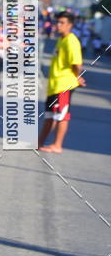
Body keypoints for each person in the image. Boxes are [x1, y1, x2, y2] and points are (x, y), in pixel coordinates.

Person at [38, 11, 85, 153]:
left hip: (64, 85)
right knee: (49, 115)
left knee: (61, 116)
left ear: (70, 25)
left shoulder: (71, 41)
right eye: (57, 22)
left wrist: (77, 77)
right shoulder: (61, 39)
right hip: (54, 86)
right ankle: (39, 142)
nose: (58, 25)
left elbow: (77, 64)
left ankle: (57, 145)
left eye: (62, 23)